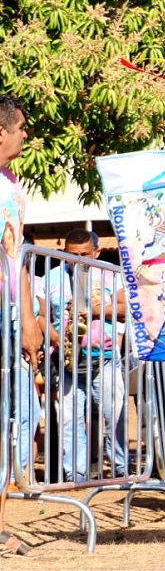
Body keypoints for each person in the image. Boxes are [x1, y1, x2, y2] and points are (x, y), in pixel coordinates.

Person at [44, 229, 130, 483]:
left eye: (84, 254)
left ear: (96, 252)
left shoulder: (111, 274)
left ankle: (120, 469)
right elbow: (42, 315)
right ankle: (76, 474)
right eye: (73, 255)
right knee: (70, 419)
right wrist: (56, 338)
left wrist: (96, 311)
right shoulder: (53, 276)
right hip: (67, 359)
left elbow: (127, 309)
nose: (79, 260)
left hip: (103, 356)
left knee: (114, 413)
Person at [0, 95, 38, 557]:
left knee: (17, 414)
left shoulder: (9, 183)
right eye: (21, 127)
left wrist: (28, 317)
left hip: (9, 314)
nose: (26, 133)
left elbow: (18, 259)